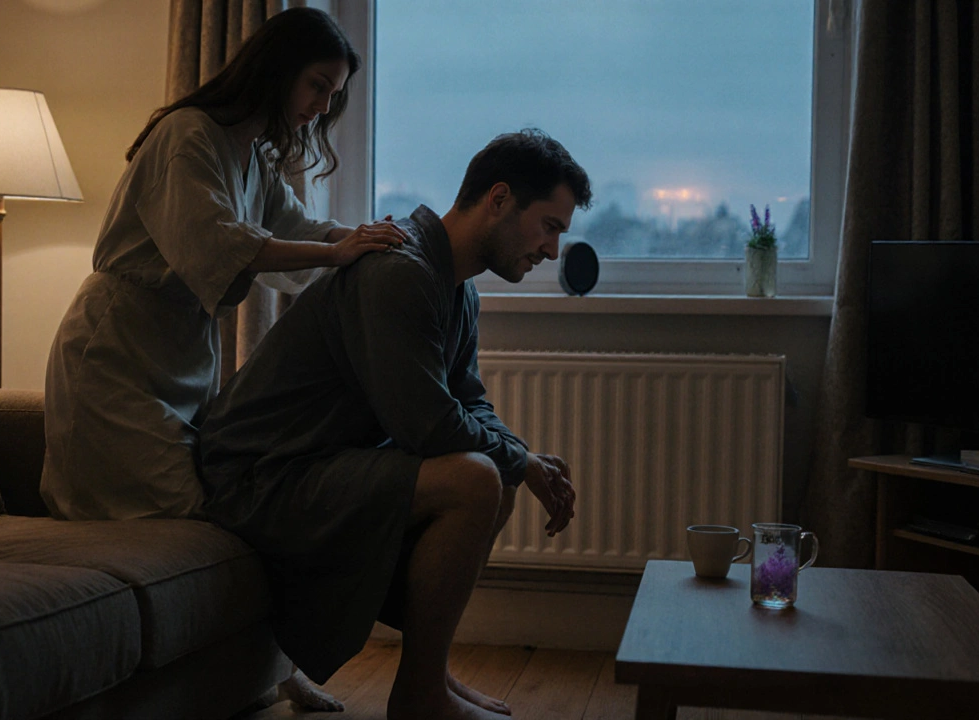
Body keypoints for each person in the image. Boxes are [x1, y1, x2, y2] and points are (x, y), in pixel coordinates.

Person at [41, 6, 403, 711]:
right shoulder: (187, 135)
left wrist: (358, 238)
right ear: (278, 70)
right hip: (114, 356)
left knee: (239, 504)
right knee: (199, 510)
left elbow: (292, 226)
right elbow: (217, 242)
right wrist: (337, 254)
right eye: (318, 86)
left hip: (183, 353)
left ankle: (274, 664)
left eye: (333, 95)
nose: (322, 106)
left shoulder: (255, 153)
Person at [198, 129, 591, 719]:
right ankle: (421, 697)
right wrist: (521, 461)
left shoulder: (457, 288)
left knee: (496, 472)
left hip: (314, 464)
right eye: (549, 226)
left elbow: (469, 400)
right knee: (477, 478)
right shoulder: (399, 272)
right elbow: (428, 428)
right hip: (259, 476)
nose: (554, 251)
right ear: (499, 199)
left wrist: (522, 455)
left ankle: (428, 674)